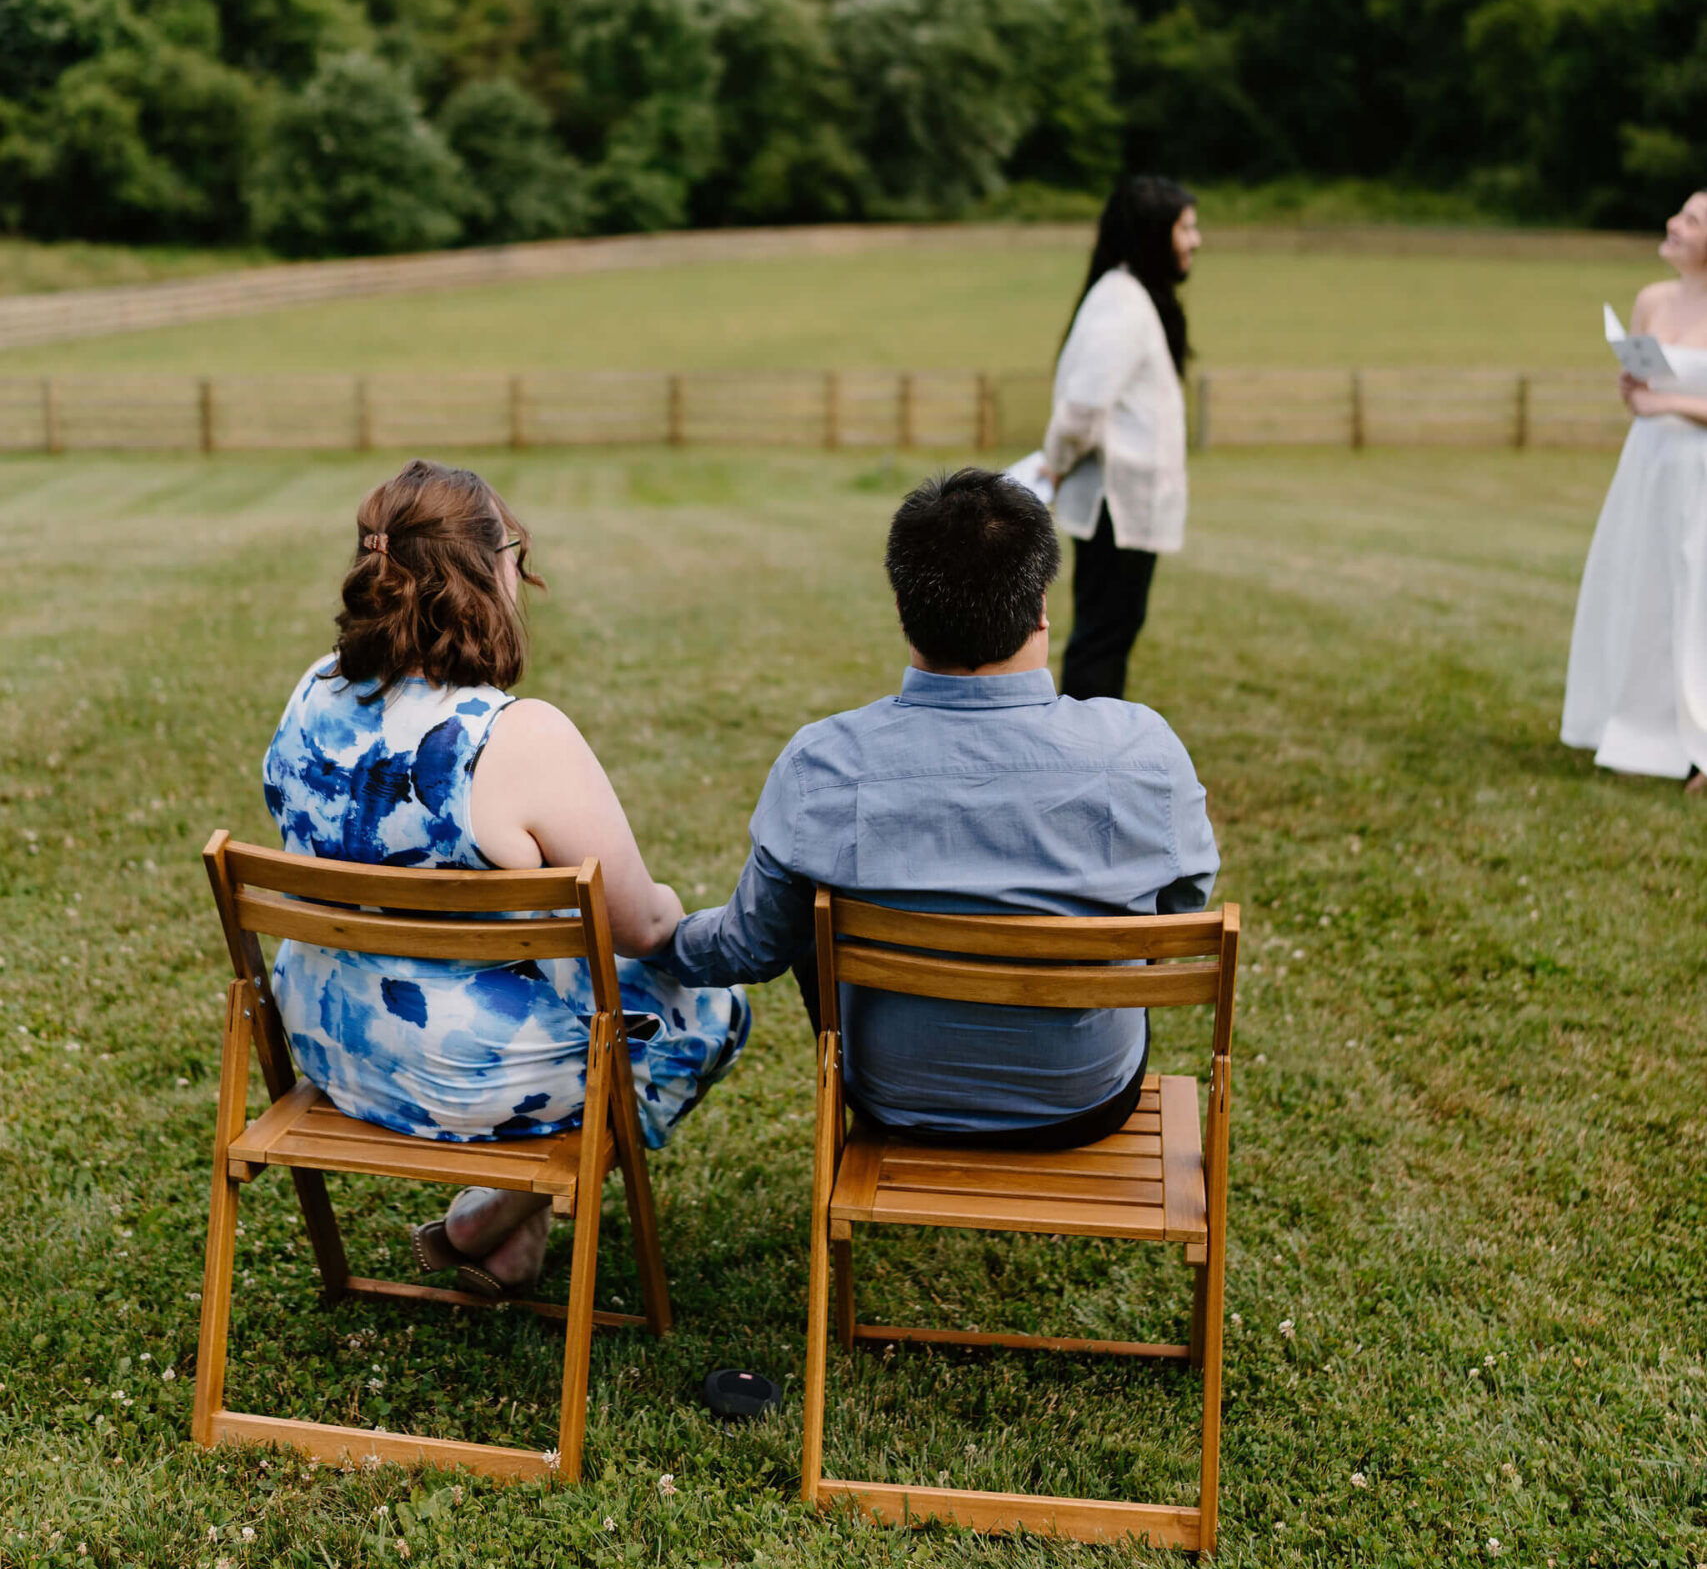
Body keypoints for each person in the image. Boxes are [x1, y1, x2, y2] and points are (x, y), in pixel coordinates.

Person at [262, 458, 749, 1297]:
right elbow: (639, 928)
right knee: (706, 1007)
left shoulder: (314, 689)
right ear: (490, 570)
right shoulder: (519, 738)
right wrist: (671, 907)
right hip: (462, 1075)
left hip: (327, 1038)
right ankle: (490, 1213)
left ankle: (513, 1244)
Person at [661, 468, 1218, 1143]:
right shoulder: (1143, 750)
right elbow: (1181, 905)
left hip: (891, 1101)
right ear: (1041, 604)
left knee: (810, 917)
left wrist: (659, 936)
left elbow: (750, 946)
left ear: (902, 609)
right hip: (1086, 1101)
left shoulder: (823, 761)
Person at [1563, 190, 1707, 789]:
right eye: (1680, 212)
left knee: (1700, 599)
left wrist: (1664, 402)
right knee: (1643, 591)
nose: (1673, 223)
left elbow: (1670, 400)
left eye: (1692, 220)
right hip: (1648, 466)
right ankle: (1640, 729)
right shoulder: (1650, 299)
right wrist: (1634, 392)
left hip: (1703, 470)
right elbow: (1642, 391)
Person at [1040, 174, 1201, 702]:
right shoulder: (1122, 306)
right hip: (1117, 505)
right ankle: (1085, 762)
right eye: (1186, 228)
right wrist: (1055, 464)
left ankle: (1093, 756)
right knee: (1102, 639)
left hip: (1123, 506)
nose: (1195, 241)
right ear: (1154, 234)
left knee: (1108, 634)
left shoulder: (1129, 297)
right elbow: (1084, 407)